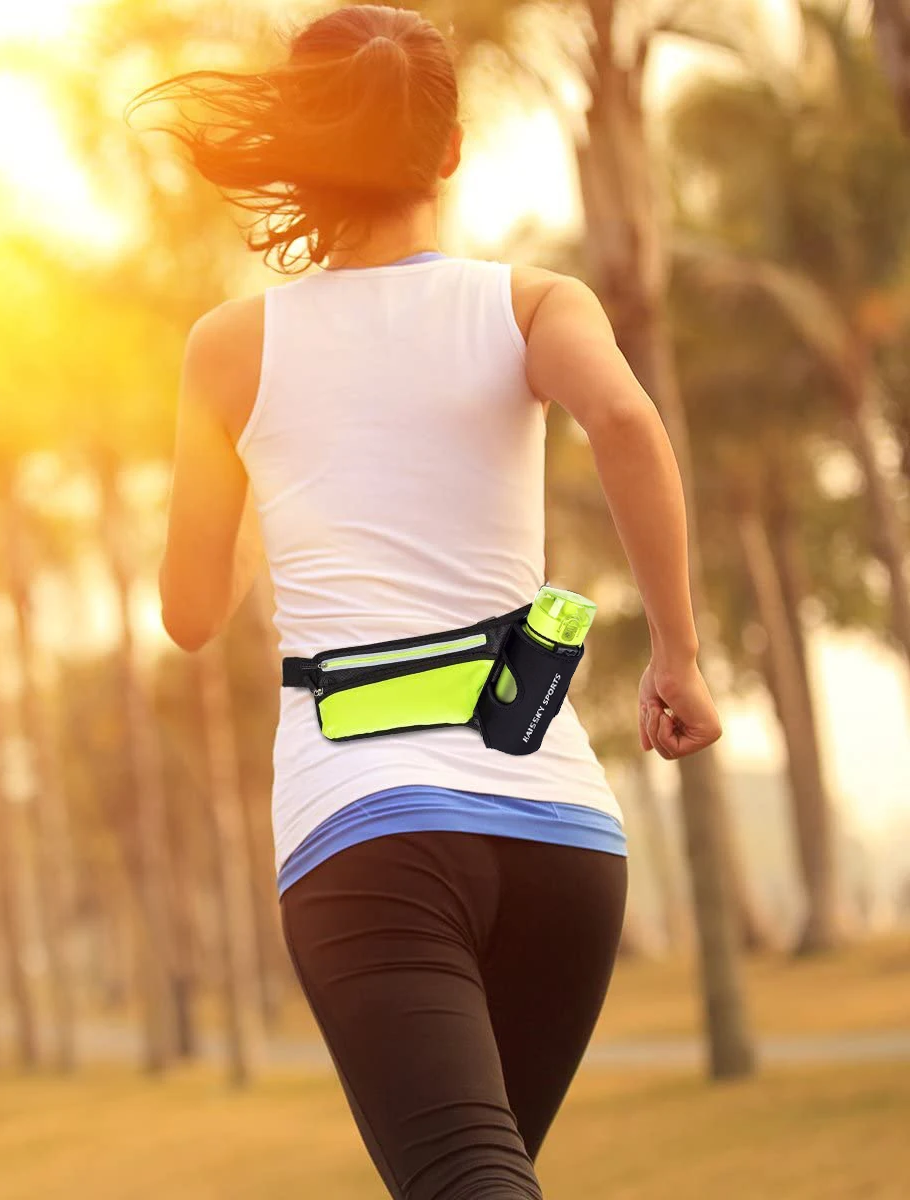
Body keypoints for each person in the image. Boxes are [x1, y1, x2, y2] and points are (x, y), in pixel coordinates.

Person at [136, 6, 722, 1198]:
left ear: (301, 151)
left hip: (370, 833)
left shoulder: (228, 348)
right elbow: (622, 420)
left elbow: (190, 612)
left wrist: (261, 478)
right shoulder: (533, 305)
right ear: (450, 152)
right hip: (561, 835)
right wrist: (681, 655)